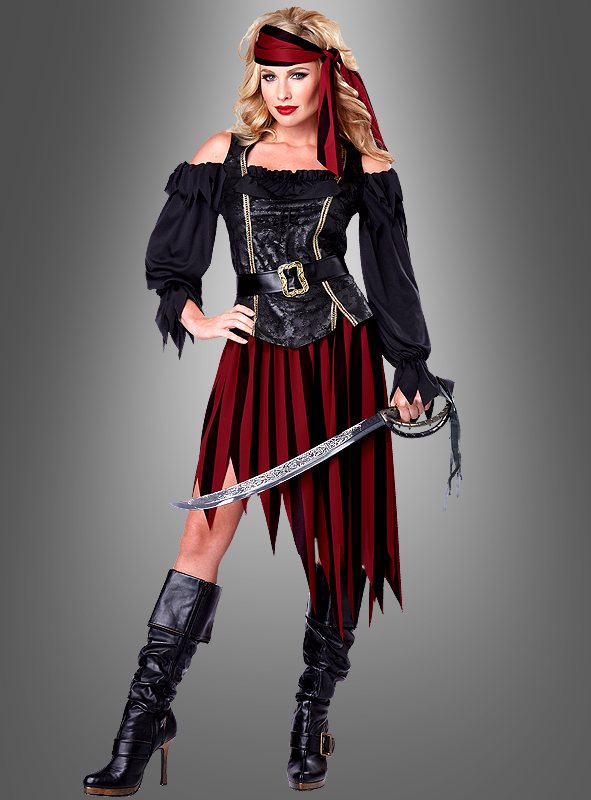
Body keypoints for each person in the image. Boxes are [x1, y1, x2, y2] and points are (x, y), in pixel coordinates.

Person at [83, 6, 441, 795]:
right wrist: (199, 318)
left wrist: (410, 369)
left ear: (326, 76)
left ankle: (311, 721)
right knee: (201, 536)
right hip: (252, 365)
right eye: (269, 74)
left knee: (336, 546)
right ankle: (142, 727)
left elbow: (392, 276)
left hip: (340, 361)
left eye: (297, 75)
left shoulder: (362, 165)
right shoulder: (224, 154)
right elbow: (171, 264)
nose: (281, 90)